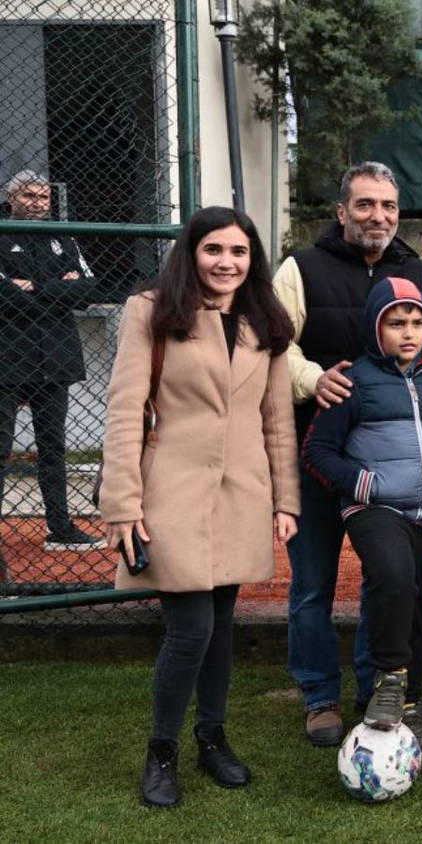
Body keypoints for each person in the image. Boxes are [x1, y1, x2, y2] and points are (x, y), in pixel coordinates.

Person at [98, 206, 301, 808]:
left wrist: (285, 498)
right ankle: (161, 752)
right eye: (214, 249)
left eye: (238, 251)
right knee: (192, 630)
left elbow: (277, 420)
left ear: (252, 259)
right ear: (191, 252)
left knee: (220, 627)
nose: (226, 262)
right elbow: (124, 411)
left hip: (242, 492)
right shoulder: (150, 310)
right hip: (171, 492)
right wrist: (121, 505)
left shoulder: (266, 318)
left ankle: (212, 739)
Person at [273, 161, 422, 746]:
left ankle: (376, 692)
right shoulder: (300, 268)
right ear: (341, 211)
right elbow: (274, 346)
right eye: (365, 205)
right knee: (313, 583)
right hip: (319, 455)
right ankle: (319, 697)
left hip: (390, 466)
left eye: (388, 206)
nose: (378, 216)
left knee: (388, 580)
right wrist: (313, 379)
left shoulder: (416, 270)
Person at [303, 277, 422, 755]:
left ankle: (409, 707)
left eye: (417, 322)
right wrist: (364, 485)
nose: (409, 332)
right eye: (396, 323)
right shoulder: (353, 380)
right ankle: (389, 685)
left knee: (419, 601)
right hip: (376, 507)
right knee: (395, 576)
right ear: (375, 328)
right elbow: (317, 450)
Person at [0, 170, 103, 559]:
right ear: (11, 198)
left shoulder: (63, 235)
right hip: (7, 357)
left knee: (53, 448)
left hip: (55, 358)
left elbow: (88, 288)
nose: (38, 203)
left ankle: (60, 528)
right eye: (29, 195)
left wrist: (35, 286)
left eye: (43, 197)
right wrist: (60, 287)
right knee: (1, 447)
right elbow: (4, 296)